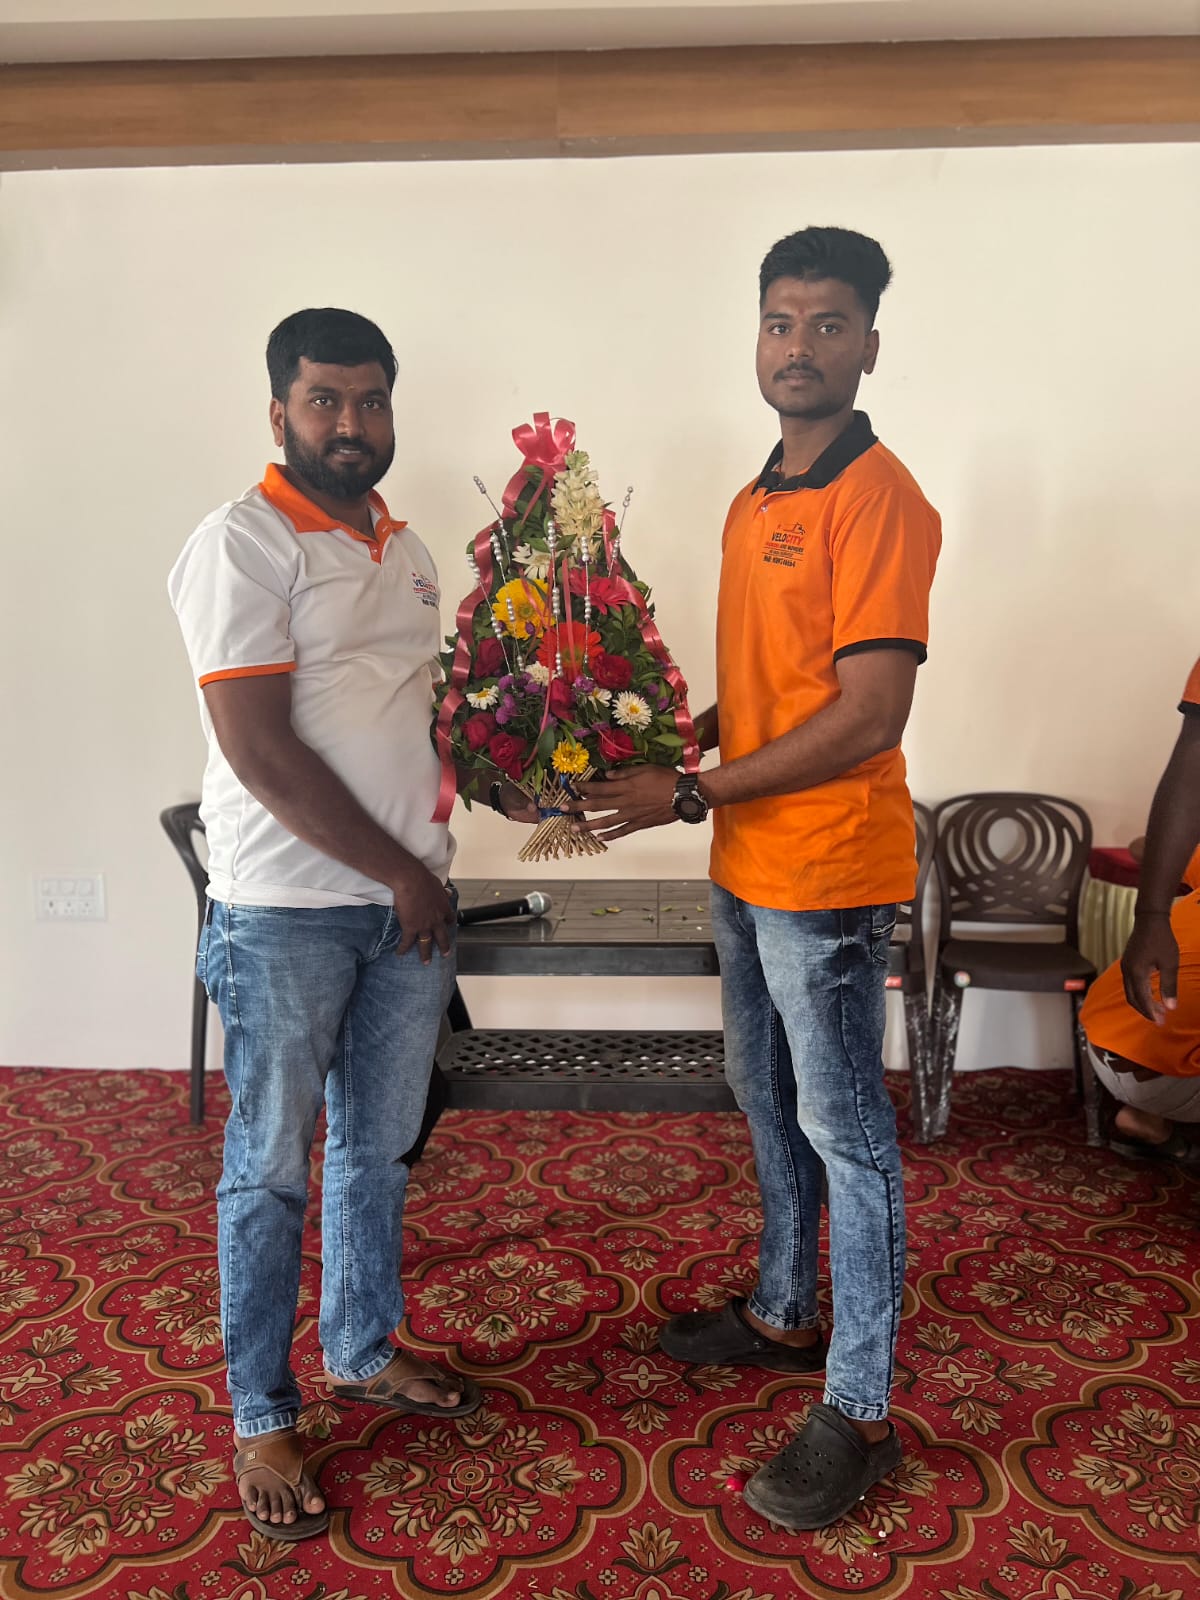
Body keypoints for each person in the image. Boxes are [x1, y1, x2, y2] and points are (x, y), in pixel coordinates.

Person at [572, 227, 940, 1529]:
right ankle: (786, 1307)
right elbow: (783, 686)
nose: (800, 346)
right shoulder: (755, 498)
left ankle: (861, 1410)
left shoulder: (879, 497)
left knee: (849, 1130)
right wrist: (694, 741)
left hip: (827, 870)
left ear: (869, 345)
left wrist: (688, 793)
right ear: (759, 338)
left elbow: (870, 710)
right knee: (761, 1086)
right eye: (781, 321)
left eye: (829, 324)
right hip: (747, 856)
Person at [168, 308, 529, 1541]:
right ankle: (262, 1409)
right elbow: (261, 750)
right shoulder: (242, 543)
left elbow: (419, 722)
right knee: (270, 1167)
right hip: (287, 913)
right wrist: (402, 875)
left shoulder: (407, 547)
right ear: (279, 411)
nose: (351, 423)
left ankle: (364, 1345)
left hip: (404, 910)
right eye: (325, 400)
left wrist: (513, 780)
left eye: (371, 400)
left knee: (378, 1150)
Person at [1081, 658, 1200, 1165]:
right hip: (1171, 1071)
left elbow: (1143, 845)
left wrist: (1153, 914)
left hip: (1105, 1044)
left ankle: (1144, 1118)